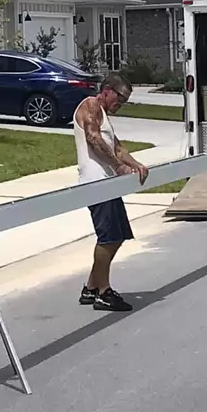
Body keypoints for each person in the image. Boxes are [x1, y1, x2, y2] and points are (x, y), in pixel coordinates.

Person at [72, 72, 148, 312]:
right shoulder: (90, 106)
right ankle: (103, 292)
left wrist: (136, 164)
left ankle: (91, 287)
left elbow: (116, 146)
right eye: (120, 98)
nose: (120, 104)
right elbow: (93, 138)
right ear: (107, 90)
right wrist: (118, 166)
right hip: (96, 182)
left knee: (118, 235)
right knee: (109, 237)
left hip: (107, 183)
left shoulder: (104, 115)